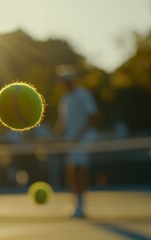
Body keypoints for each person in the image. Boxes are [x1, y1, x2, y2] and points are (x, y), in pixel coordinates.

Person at [55, 72, 98, 218]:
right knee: (72, 170)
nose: (66, 83)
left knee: (79, 169)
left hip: (83, 139)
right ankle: (76, 204)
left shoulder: (83, 94)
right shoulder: (64, 99)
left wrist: (80, 135)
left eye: (68, 80)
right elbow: (63, 124)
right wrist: (53, 137)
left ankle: (81, 205)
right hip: (71, 141)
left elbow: (92, 117)